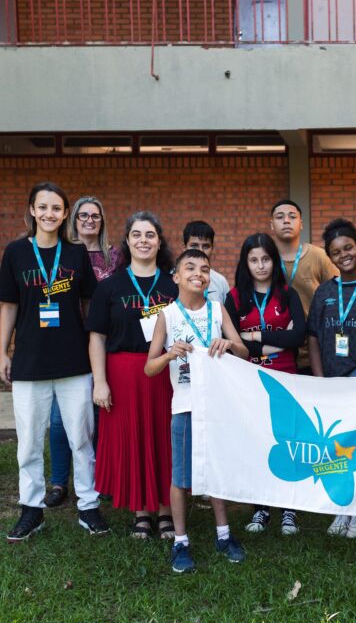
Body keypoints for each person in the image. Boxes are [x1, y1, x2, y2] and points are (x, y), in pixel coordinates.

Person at [0, 182, 108, 541]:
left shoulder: (75, 254)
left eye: (56, 208)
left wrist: (94, 349)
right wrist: (2, 351)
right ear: (32, 210)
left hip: (74, 362)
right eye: (42, 207)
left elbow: (89, 304)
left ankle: (88, 506)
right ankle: (31, 509)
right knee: (29, 440)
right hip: (30, 363)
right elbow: (9, 306)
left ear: (65, 214)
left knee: (82, 438)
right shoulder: (16, 252)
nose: (49, 214)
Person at [145, 248, 250, 573]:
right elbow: (149, 368)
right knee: (180, 476)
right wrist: (168, 355)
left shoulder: (217, 310)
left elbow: (244, 352)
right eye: (190, 268)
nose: (198, 274)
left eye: (204, 269)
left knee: (215, 470)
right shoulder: (166, 316)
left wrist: (229, 345)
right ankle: (180, 541)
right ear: (176, 276)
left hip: (217, 407)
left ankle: (224, 535)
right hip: (185, 407)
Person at [89, 212, 178, 539]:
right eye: (137, 234)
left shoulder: (173, 285)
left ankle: (166, 510)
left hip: (165, 372)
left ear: (159, 242)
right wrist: (100, 381)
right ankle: (141, 510)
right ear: (127, 242)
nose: (143, 240)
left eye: (150, 235)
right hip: (123, 374)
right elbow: (97, 337)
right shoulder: (109, 287)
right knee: (134, 440)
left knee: (164, 439)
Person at [307, 218, 356, 539]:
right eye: (336, 252)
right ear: (330, 257)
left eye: (349, 248)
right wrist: (320, 379)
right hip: (331, 381)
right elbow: (313, 337)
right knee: (335, 446)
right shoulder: (324, 291)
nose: (344, 255)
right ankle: (342, 506)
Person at [224, 233, 307, 535]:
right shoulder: (234, 298)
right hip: (249, 379)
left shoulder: (287, 294)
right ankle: (260, 507)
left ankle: (288, 507)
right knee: (256, 441)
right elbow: (233, 343)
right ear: (245, 263)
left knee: (287, 439)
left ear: (274, 261)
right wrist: (276, 341)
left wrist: (256, 337)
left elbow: (298, 336)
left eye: (266, 259)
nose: (260, 265)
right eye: (254, 260)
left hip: (284, 377)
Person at [44, 195, 121, 508]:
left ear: (102, 221)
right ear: (73, 219)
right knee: (60, 418)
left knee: (102, 415)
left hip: (106, 343)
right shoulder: (60, 255)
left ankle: (101, 478)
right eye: (83, 215)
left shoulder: (115, 257)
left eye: (96, 216)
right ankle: (59, 481)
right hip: (69, 344)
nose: (90, 221)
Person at [268, 198, 338, 313]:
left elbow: (338, 294)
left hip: (313, 324)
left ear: (301, 224)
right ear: (272, 225)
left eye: (292, 216)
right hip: (273, 324)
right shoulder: (264, 259)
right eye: (280, 217)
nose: (286, 221)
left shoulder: (319, 256)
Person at [182, 220, 230, 303]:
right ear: (184, 248)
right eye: (194, 245)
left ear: (212, 248)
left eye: (206, 246)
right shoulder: (170, 279)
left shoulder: (220, 282)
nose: (200, 251)